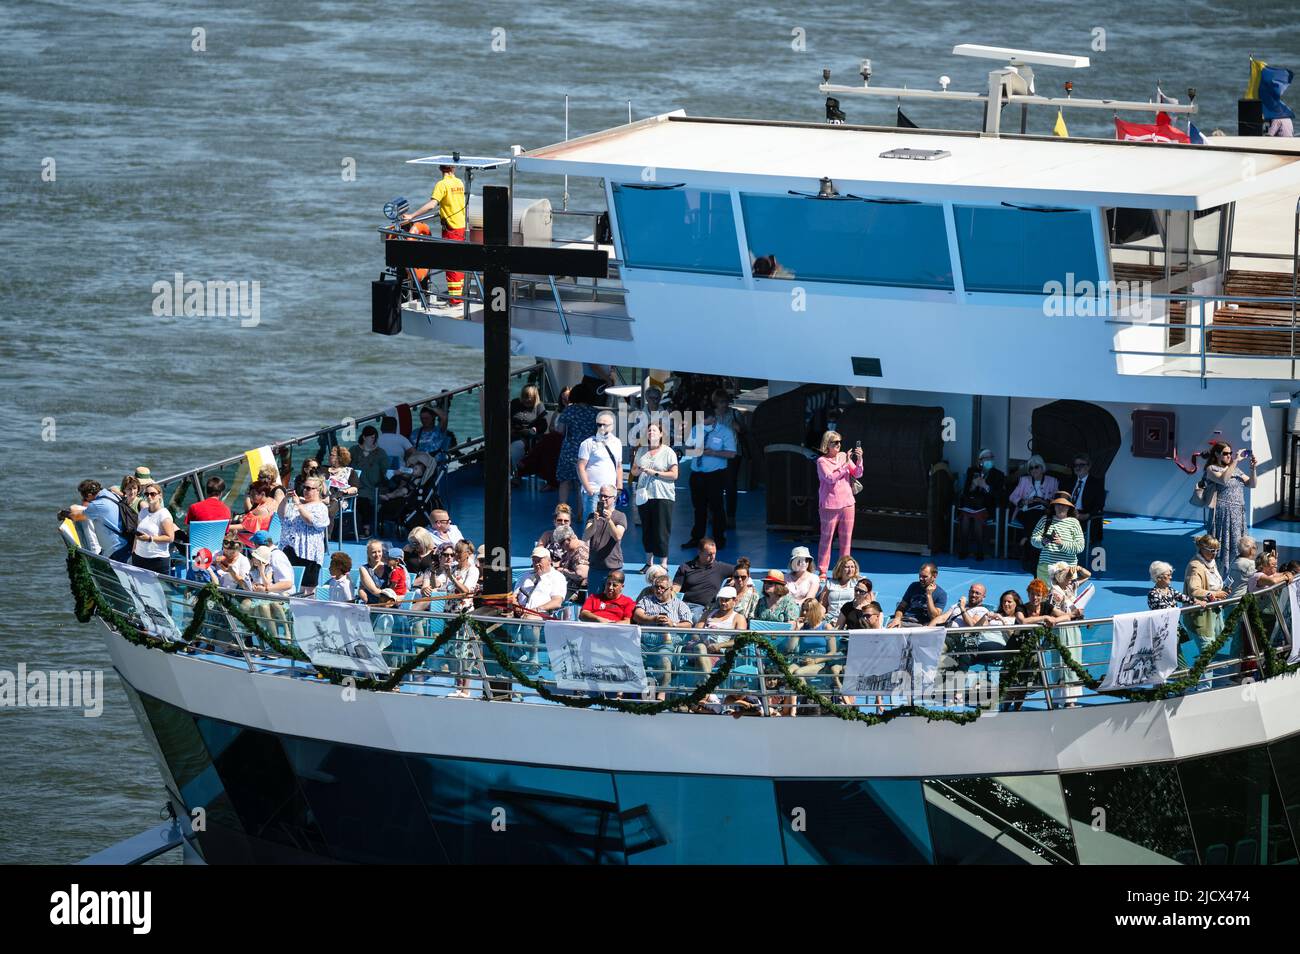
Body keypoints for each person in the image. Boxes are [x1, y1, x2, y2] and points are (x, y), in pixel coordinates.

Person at [404, 164, 466, 304]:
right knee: (458, 260)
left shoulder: (441, 185)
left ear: (440, 169)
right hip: (461, 226)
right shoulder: (459, 183)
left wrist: (412, 216)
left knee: (451, 263)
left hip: (451, 228)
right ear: (453, 169)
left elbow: (432, 204)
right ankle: (458, 296)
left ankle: (455, 299)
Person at [682, 407, 737, 550]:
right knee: (698, 507)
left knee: (716, 507)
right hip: (697, 473)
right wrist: (696, 448)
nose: (703, 423)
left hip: (715, 474)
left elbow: (731, 454)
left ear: (714, 419)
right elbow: (687, 448)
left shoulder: (725, 432)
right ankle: (697, 538)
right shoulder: (695, 429)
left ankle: (719, 538)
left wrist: (714, 452)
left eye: (706, 420)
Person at [633, 571, 694, 695]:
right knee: (632, 658)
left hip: (665, 644)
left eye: (662, 588)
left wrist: (673, 624)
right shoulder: (646, 600)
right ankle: (639, 693)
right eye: (656, 587)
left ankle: (662, 692)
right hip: (644, 642)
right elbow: (637, 615)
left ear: (670, 589)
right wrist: (653, 619)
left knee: (665, 660)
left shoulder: (680, 605)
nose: (658, 590)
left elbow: (688, 624)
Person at [1204, 442, 1257, 583]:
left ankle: (1234, 577)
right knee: (1222, 546)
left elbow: (1252, 484)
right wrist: (1236, 461)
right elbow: (1223, 479)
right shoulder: (1211, 469)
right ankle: (1218, 579)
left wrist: (1252, 469)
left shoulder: (1236, 470)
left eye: (1230, 453)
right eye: (1225, 453)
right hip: (1223, 513)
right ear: (1217, 454)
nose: (1229, 456)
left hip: (1237, 514)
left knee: (1238, 545)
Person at [1183, 534, 1232, 688]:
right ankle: (1204, 687)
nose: (1215, 554)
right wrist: (1215, 594)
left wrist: (1222, 591)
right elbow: (1194, 590)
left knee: (1212, 648)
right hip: (1200, 616)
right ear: (1202, 548)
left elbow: (1212, 584)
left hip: (1213, 614)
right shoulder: (1196, 566)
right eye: (1212, 550)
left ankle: (1197, 679)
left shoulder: (1211, 562)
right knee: (1207, 651)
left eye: (1217, 550)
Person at [630, 421, 678, 572]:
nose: (651, 433)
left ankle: (663, 562)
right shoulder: (641, 451)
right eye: (649, 431)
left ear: (661, 434)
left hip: (662, 495)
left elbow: (674, 475)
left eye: (655, 431)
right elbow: (634, 471)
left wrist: (655, 473)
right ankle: (649, 562)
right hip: (645, 495)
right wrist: (638, 470)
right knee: (647, 528)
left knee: (662, 528)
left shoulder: (668, 452)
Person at [815, 430, 863, 575]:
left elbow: (858, 473)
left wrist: (859, 460)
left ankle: (844, 571)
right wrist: (845, 465)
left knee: (846, 539)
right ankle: (822, 571)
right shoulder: (821, 461)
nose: (838, 445)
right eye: (835, 442)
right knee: (826, 539)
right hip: (829, 506)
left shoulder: (843, 456)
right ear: (827, 444)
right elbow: (830, 478)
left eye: (839, 442)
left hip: (848, 503)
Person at [277, 476, 330, 596]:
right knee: (289, 585)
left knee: (307, 590)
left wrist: (299, 505)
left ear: (318, 490)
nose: (305, 490)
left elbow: (310, 521)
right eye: (304, 487)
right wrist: (286, 499)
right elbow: (281, 514)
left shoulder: (320, 507)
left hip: (308, 553)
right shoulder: (297, 503)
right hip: (289, 548)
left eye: (309, 488)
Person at [1009, 455, 1059, 572]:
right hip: (1026, 511)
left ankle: (1027, 542)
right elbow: (1012, 496)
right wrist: (1025, 501)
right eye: (1031, 468)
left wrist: (1042, 501)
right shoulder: (1024, 480)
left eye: (1036, 467)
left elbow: (1057, 499)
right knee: (1034, 517)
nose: (1033, 470)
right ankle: (1034, 555)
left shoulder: (1052, 481)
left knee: (1038, 517)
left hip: (1043, 512)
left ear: (1042, 468)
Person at [554, 383, 599, 512]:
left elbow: (560, 430)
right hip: (587, 451)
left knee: (565, 481)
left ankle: (561, 512)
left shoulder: (569, 410)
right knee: (582, 483)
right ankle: (581, 513)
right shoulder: (595, 412)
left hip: (569, 450)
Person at [954, 449, 1004, 560]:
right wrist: (973, 485)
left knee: (977, 518)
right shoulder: (972, 471)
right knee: (965, 518)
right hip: (970, 504)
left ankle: (980, 550)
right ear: (980, 461)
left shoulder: (998, 475)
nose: (989, 459)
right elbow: (965, 491)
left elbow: (999, 495)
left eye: (991, 457)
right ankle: (963, 549)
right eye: (986, 458)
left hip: (986, 506)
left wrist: (986, 486)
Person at [686, 585, 747, 675]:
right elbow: (695, 632)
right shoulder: (708, 613)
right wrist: (702, 641)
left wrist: (720, 645)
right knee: (700, 648)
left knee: (700, 656)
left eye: (726, 600)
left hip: (720, 653)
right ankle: (708, 683)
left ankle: (704, 682)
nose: (723, 603)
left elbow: (740, 640)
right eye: (721, 600)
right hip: (700, 648)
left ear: (734, 601)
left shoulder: (739, 618)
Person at [576, 409, 624, 523]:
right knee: (591, 525)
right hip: (595, 493)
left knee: (608, 525)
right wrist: (588, 489)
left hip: (611, 494)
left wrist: (620, 486)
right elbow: (580, 467)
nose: (602, 427)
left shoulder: (617, 443)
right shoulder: (588, 443)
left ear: (612, 426)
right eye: (599, 424)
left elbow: (619, 466)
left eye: (605, 425)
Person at [672, 539, 735, 622]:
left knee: (696, 619)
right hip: (684, 604)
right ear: (700, 552)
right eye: (709, 554)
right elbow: (675, 588)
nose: (713, 556)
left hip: (703, 608)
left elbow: (742, 571)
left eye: (714, 553)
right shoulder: (685, 567)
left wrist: (734, 578)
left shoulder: (720, 567)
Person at [1030, 493, 1085, 584]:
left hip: (1068, 568)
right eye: (1058, 504)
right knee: (1044, 597)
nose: (1061, 507)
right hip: (1045, 568)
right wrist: (1042, 542)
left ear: (1069, 508)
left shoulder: (1074, 523)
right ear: (1054, 506)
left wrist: (1062, 543)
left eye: (1064, 505)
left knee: (1066, 598)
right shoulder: (1045, 520)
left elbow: (1080, 547)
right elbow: (1033, 540)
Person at [582, 484, 626, 595]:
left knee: (612, 600)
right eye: (601, 496)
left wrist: (609, 520)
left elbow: (617, 536)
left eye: (606, 496)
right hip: (595, 566)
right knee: (594, 600)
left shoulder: (620, 516)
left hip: (612, 567)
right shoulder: (593, 516)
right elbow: (586, 536)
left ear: (614, 498)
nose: (602, 499)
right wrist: (595, 522)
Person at [711, 389, 746, 528]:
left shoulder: (734, 414)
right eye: (721, 402)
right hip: (715, 454)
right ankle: (714, 513)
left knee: (730, 485)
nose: (724, 404)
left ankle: (730, 517)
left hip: (733, 453)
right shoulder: (711, 416)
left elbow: (744, 430)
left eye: (725, 401)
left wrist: (739, 427)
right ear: (716, 403)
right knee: (714, 484)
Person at [77, 479, 132, 561]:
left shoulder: (96, 505)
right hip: (128, 543)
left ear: (89, 495)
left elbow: (78, 516)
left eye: (84, 497)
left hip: (116, 550)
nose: (84, 500)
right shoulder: (111, 494)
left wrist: (65, 513)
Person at [349, 425, 388, 536]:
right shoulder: (354, 450)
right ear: (364, 437)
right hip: (354, 485)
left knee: (364, 499)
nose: (373, 440)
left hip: (372, 487)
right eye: (371, 437)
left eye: (375, 438)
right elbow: (346, 466)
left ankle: (366, 528)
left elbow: (385, 471)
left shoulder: (380, 453)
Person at [131, 482, 177, 573]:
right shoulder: (143, 512)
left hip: (157, 560)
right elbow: (137, 534)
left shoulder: (164, 515)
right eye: (146, 494)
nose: (149, 496)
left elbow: (170, 538)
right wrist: (133, 551)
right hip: (139, 557)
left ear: (160, 495)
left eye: (153, 494)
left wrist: (150, 538)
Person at [888, 562, 947, 627]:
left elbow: (934, 617)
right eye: (920, 576)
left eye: (924, 577)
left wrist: (929, 595)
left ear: (934, 576)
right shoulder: (913, 586)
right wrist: (897, 618)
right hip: (905, 620)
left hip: (920, 625)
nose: (921, 579)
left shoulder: (941, 594)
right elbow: (901, 607)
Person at [510, 385, 548, 482]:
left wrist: (535, 429)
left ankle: (517, 473)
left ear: (535, 397)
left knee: (516, 446)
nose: (527, 399)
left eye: (530, 397)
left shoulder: (539, 406)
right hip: (511, 433)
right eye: (525, 396)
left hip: (527, 437)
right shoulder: (515, 403)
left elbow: (543, 425)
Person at [1066, 452, 1105, 544]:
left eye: (1081, 465)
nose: (1077, 467)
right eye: (1075, 465)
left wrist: (1087, 515)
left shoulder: (1096, 483)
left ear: (1088, 466)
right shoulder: (1068, 481)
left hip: (1084, 514)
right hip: (1067, 513)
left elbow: (1100, 505)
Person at [550, 525, 590, 597]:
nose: (561, 546)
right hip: (567, 589)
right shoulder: (572, 549)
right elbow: (564, 561)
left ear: (568, 539)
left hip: (575, 595)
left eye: (561, 543)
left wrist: (562, 570)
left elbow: (581, 575)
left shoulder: (580, 552)